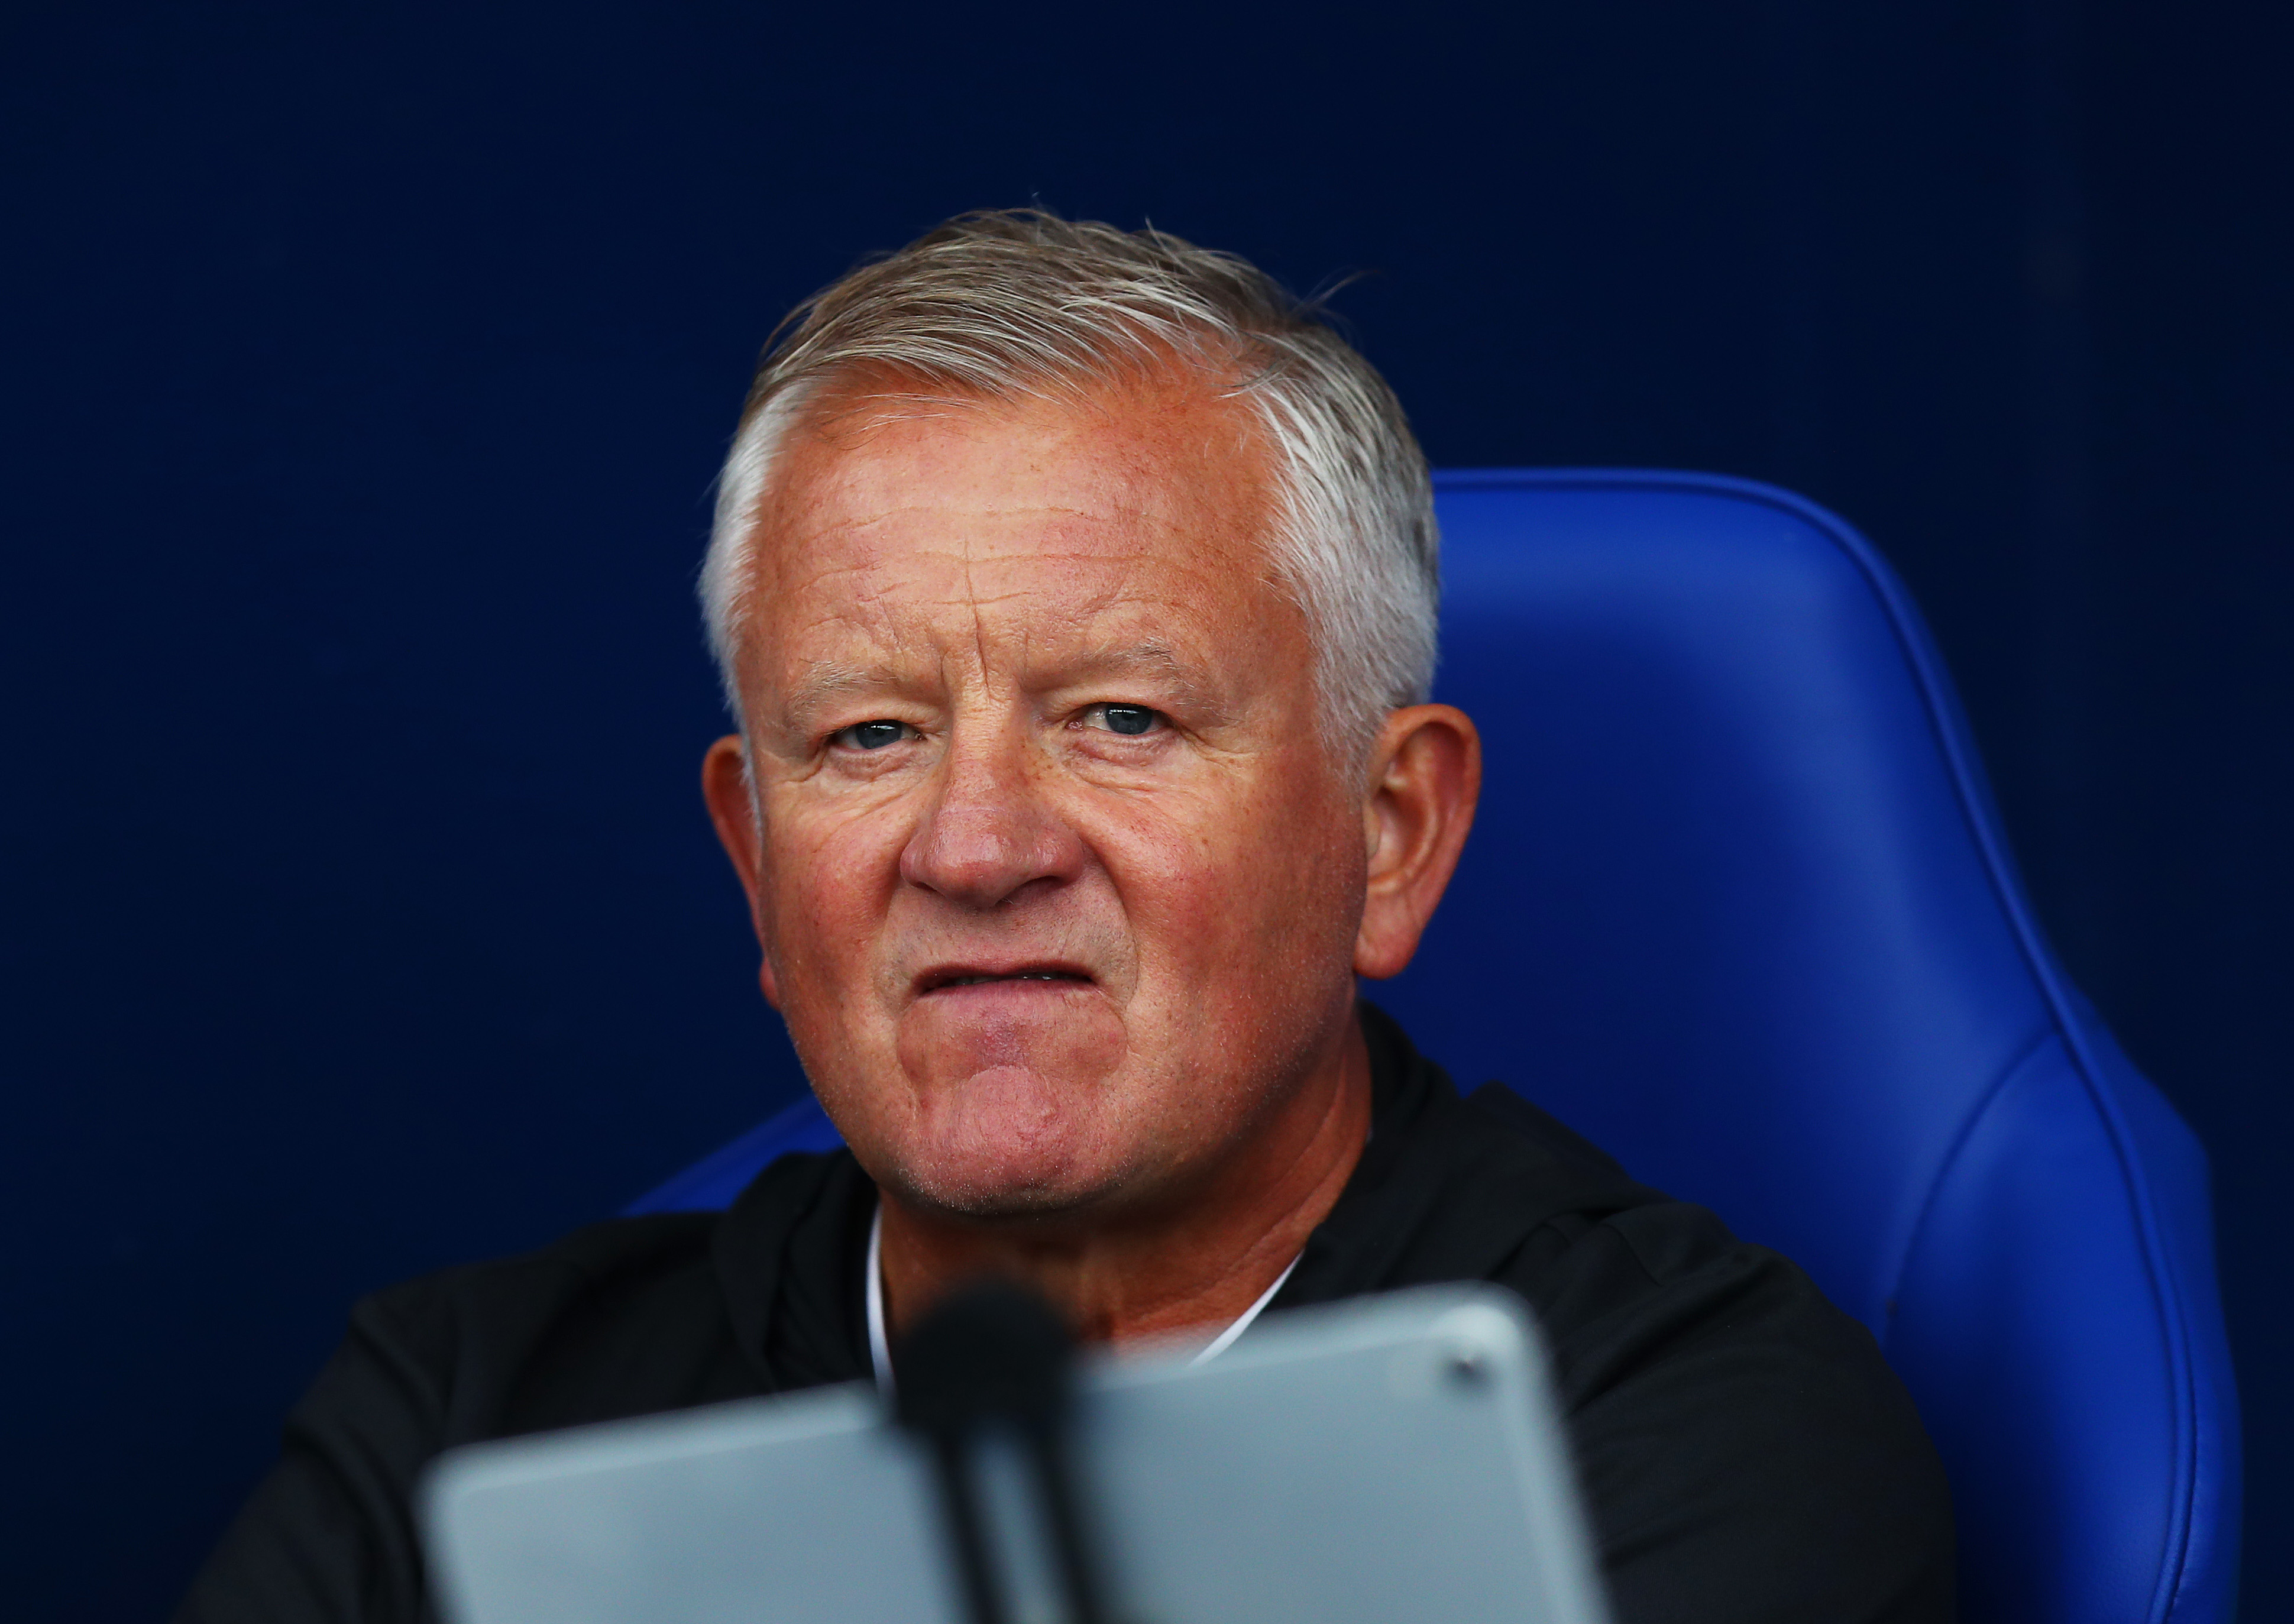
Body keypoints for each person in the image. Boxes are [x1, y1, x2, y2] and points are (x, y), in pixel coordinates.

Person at [177, 210, 1955, 1623]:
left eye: (1122, 716)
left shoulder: (1683, 1433)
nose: (974, 844)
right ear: (758, 869)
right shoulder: (469, 1412)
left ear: (1388, 827)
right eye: (870, 733)